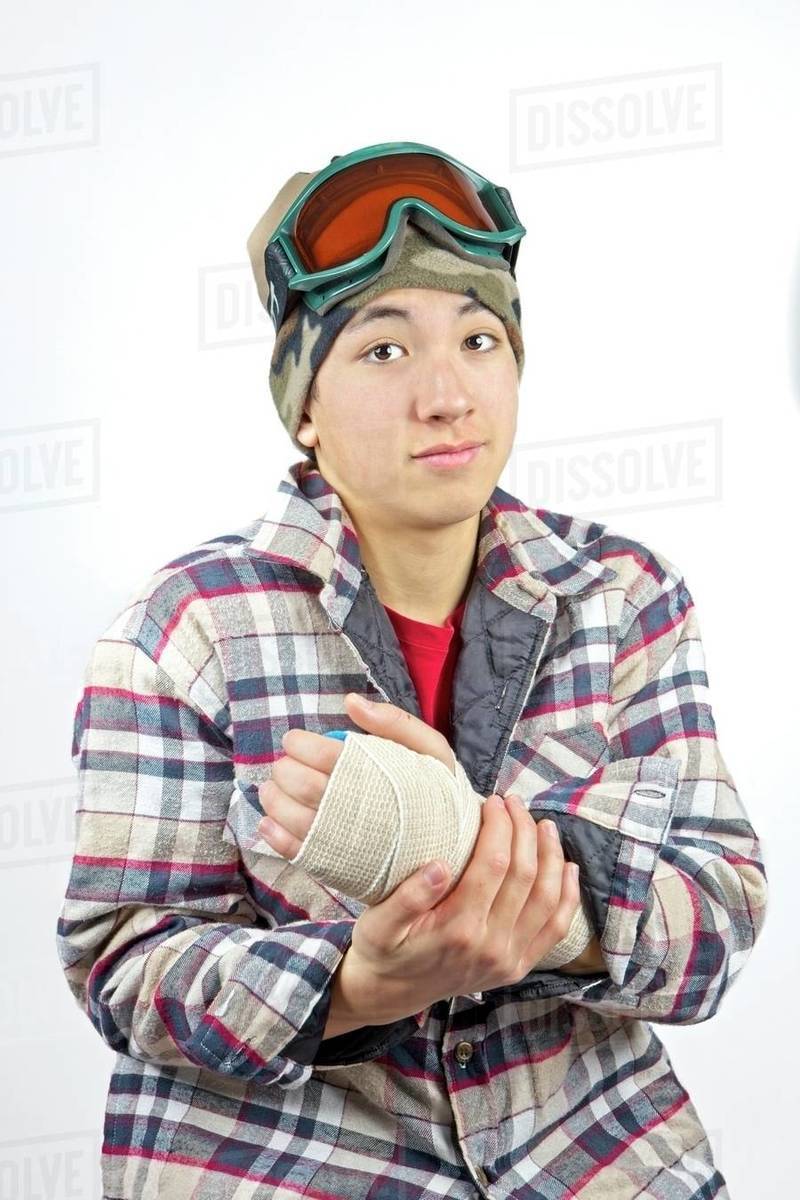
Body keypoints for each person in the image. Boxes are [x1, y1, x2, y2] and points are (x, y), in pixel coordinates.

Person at [56, 141, 767, 1200]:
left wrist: (539, 908)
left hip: (592, 1157)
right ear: (302, 406)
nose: (446, 394)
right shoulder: (185, 628)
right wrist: (356, 982)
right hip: (292, 1165)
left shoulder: (624, 596)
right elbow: (126, 968)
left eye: (479, 339)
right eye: (382, 352)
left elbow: (718, 916)